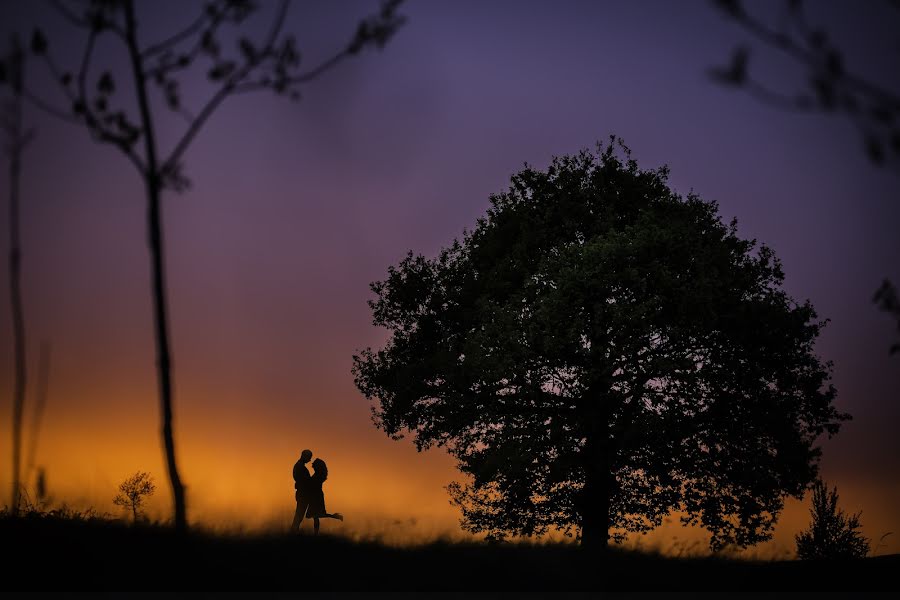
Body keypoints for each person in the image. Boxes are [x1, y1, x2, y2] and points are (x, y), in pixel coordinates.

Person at [306, 458, 343, 535]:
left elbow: (313, 485)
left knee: (317, 514)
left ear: (317, 467)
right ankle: (316, 533)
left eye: (314, 465)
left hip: (316, 496)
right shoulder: (319, 475)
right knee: (315, 515)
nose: (313, 466)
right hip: (316, 495)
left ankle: (336, 517)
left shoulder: (317, 475)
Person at [290, 449, 313, 533]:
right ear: (305, 456)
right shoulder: (300, 467)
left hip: (302, 493)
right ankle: (293, 531)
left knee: (299, 515)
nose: (309, 460)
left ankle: (294, 531)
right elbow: (304, 481)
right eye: (309, 458)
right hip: (303, 494)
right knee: (299, 515)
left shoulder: (299, 466)